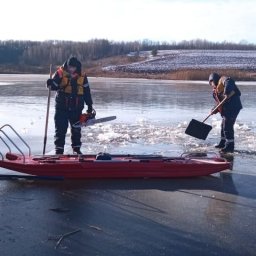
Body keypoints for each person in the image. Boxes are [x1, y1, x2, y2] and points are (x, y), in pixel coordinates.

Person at [46, 56, 94, 155]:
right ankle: (59, 150)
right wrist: (50, 83)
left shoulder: (83, 76)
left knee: (76, 129)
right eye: (69, 67)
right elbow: (54, 86)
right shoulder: (60, 73)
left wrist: (89, 105)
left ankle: (76, 149)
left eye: (73, 67)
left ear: (77, 67)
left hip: (76, 108)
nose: (71, 69)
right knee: (60, 129)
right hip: (61, 107)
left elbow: (86, 92)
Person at [208, 73, 242, 153]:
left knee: (227, 125)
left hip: (233, 107)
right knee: (223, 125)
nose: (211, 85)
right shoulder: (216, 91)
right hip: (227, 109)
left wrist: (227, 92)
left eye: (211, 82)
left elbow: (229, 81)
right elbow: (219, 103)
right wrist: (214, 110)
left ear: (214, 79)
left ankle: (229, 146)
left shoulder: (223, 79)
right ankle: (223, 143)